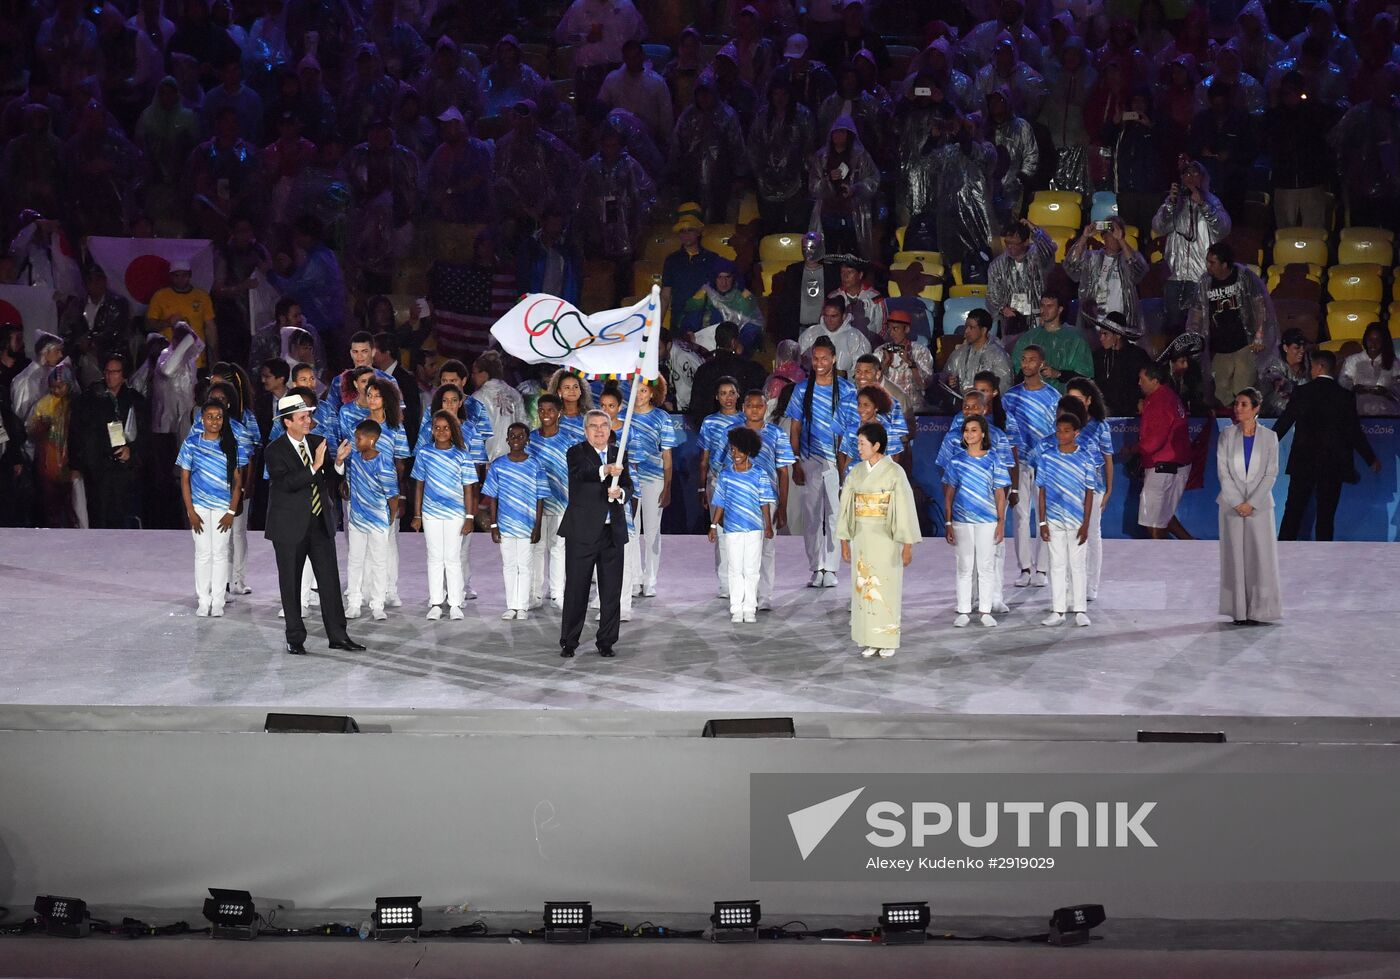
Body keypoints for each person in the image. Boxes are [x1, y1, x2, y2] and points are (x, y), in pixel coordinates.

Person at [264, 393, 363, 656]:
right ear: (288, 422)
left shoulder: (317, 441)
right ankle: (295, 637)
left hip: (319, 522)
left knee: (330, 581)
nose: (309, 421)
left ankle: (338, 636)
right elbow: (286, 483)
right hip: (288, 527)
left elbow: (328, 475)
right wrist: (314, 466)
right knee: (291, 582)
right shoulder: (274, 450)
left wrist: (338, 462)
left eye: (308, 416)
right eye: (303, 417)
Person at [1275, 350, 1381, 541]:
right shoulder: (1344, 396)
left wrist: (1264, 442)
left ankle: (1281, 555)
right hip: (1333, 463)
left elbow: (1285, 422)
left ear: (1319, 367)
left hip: (1304, 461)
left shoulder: (1302, 392)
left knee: (1293, 512)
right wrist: (1370, 458)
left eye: (1313, 366)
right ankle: (1325, 560)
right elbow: (1354, 432)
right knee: (1326, 515)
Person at [835, 421, 921, 659]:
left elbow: (904, 508)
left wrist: (907, 545)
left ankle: (887, 638)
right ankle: (869, 639)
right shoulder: (856, 471)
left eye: (862, 444)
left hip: (886, 536)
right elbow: (846, 508)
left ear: (876, 445)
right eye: (858, 443)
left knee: (886, 586)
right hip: (862, 536)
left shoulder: (895, 472)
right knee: (864, 587)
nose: (859, 448)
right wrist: (844, 540)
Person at [558, 409, 632, 658]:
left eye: (603, 425)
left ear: (611, 429)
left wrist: (620, 493)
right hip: (582, 531)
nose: (599, 430)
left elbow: (629, 484)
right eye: (593, 426)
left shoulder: (619, 453)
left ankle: (607, 641)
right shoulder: (576, 452)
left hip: (612, 531)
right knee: (577, 588)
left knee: (611, 590)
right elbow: (582, 474)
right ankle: (569, 641)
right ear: (585, 429)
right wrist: (606, 471)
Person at [786, 336, 858, 588]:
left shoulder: (847, 390)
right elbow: (794, 427)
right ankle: (816, 566)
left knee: (836, 515)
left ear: (834, 358)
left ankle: (832, 568)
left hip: (839, 460)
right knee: (812, 515)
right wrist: (795, 462)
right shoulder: (802, 389)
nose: (819, 363)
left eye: (824, 358)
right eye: (815, 359)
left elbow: (852, 428)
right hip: (810, 459)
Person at [1217, 387, 1282, 626]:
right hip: (1231, 507)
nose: (1238, 408)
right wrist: (1237, 503)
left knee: (1261, 558)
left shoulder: (1269, 438)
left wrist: (1251, 503)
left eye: (1244, 404)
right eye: (1236, 404)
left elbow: (1270, 474)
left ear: (1256, 409)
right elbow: (1223, 473)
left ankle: (1261, 609)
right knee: (1234, 557)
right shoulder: (1226, 435)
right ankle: (1239, 611)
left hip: (1260, 507)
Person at [1185, 241, 1274, 409]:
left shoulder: (1244, 277)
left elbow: (1259, 305)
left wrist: (1259, 334)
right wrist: (1193, 334)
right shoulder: (1205, 282)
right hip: (1219, 348)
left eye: (1212, 263)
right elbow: (1196, 310)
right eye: (1207, 261)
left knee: (1243, 391)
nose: (1208, 266)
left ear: (1224, 264)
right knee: (1220, 393)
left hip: (1243, 345)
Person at [178, 397, 245, 616]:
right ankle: (203, 600)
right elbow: (185, 479)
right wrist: (191, 511)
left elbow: (237, 483)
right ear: (202, 419)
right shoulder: (191, 443)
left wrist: (231, 512)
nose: (214, 421)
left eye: (218, 417)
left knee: (220, 553)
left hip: (222, 507)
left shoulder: (231, 445)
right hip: (199, 506)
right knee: (203, 553)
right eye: (209, 417)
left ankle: (218, 601)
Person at [1152, 156, 1231, 335]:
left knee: (1199, 328)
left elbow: (1224, 228)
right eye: (1187, 174)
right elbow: (1158, 226)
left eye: (1196, 174)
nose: (1191, 178)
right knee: (1173, 329)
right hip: (1175, 277)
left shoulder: (1212, 201)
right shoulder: (1174, 202)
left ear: (1203, 178)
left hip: (1201, 277)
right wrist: (1170, 205)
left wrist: (1203, 204)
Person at [410, 410, 477, 621]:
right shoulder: (424, 453)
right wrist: (417, 514)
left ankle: (455, 603)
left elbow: (468, 489)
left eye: (445, 428)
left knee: (453, 558)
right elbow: (419, 485)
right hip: (430, 514)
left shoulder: (462, 455)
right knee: (434, 557)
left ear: (453, 430)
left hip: (455, 514)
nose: (441, 431)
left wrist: (469, 517)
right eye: (437, 428)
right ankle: (436, 602)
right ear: (432, 430)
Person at [942, 414, 1007, 628]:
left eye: (973, 430)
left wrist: (1000, 522)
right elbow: (949, 493)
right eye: (966, 430)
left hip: (987, 521)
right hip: (962, 521)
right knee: (964, 565)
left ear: (983, 433)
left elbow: (999, 493)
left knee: (986, 566)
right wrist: (949, 522)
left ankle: (985, 610)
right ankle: (963, 610)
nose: (969, 434)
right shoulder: (956, 461)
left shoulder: (994, 460)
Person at [1004, 345, 1060, 586]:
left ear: (1041, 364)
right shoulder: (1010, 397)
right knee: (1020, 516)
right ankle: (1025, 568)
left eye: (1032, 360)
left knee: (1044, 516)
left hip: (1045, 465)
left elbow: (1059, 431)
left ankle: (1043, 569)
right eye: (1024, 360)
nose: (1026, 364)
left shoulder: (1054, 397)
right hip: (1020, 465)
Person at [709, 425, 776, 624]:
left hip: (754, 528)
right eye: (732, 449)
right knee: (734, 569)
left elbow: (764, 501)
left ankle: (750, 608)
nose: (735, 453)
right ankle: (736, 608)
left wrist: (768, 525)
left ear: (749, 450)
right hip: (731, 528)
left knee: (752, 569)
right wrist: (713, 526)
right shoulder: (726, 475)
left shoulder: (759, 474)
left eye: (739, 449)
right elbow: (720, 502)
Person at [482, 422, 549, 622]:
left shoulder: (535, 465)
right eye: (513, 436)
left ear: (527, 440)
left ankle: (523, 605)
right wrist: (494, 525)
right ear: (507, 439)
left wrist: (537, 526)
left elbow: (540, 498)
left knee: (525, 565)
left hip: (528, 524)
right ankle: (512, 605)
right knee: (509, 564)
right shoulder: (498, 465)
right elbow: (492, 497)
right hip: (505, 524)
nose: (517, 440)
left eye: (521, 436)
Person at [736, 388, 795, 611]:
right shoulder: (734, 433)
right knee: (741, 548)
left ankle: (765, 595)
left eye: (759, 406)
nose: (754, 409)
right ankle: (744, 593)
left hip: (767, 499)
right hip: (740, 498)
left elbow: (783, 472)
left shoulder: (777, 434)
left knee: (766, 548)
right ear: (743, 408)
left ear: (765, 408)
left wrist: (783, 506)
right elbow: (725, 467)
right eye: (750, 405)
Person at [1036, 412, 1097, 627]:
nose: (1062, 434)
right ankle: (1058, 610)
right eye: (1059, 430)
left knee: (1077, 565)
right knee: (1057, 565)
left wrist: (1086, 523)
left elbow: (1089, 492)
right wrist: (1042, 522)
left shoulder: (1086, 457)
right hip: (1053, 520)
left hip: (1077, 520)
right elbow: (1041, 491)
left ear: (1077, 433)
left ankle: (1080, 609)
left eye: (1067, 430)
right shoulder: (1046, 457)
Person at [336, 418, 400, 622]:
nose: (355, 441)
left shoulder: (384, 463)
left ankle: (378, 604)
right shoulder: (353, 458)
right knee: (355, 560)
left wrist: (390, 518)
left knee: (379, 562)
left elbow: (392, 495)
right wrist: (340, 462)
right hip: (356, 520)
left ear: (372, 440)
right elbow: (343, 477)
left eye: (359, 437)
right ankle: (354, 602)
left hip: (378, 520)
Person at [529, 393, 585, 609]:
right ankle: (535, 593)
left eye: (550, 410)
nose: (545, 414)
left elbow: (577, 473)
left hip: (562, 502)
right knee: (537, 547)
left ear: (559, 412)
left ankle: (557, 593)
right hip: (536, 504)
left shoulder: (570, 442)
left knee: (558, 547)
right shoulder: (530, 440)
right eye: (541, 410)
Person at [626, 376, 678, 598]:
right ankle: (635, 578)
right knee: (632, 530)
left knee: (652, 531)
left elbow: (667, 456)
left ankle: (650, 579)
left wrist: (667, 487)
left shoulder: (661, 418)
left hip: (653, 480)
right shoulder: (623, 416)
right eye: (636, 390)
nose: (640, 395)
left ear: (653, 393)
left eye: (644, 391)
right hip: (630, 481)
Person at [1065, 378, 1114, 602]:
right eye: (1070, 398)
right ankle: (1070, 584)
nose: (1074, 403)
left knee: (1092, 534)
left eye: (1078, 399)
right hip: (1067, 489)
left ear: (1089, 400)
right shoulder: (1064, 426)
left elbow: (1107, 458)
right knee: (1068, 536)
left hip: (1093, 489)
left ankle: (1091, 586)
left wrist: (1109, 490)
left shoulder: (1100, 426)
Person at [697, 376, 745, 595]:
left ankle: (742, 576)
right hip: (716, 482)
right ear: (717, 397)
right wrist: (701, 487)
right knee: (721, 532)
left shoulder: (746, 420)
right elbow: (704, 457)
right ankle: (725, 582)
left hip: (743, 483)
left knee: (742, 532)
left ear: (738, 395)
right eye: (723, 393)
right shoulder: (709, 422)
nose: (728, 397)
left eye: (732, 392)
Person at [1135, 362, 1194, 540]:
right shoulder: (1169, 396)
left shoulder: (1158, 400)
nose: (1139, 383)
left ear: (1154, 380)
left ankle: (1158, 562)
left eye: (1142, 379)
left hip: (1163, 467)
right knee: (1163, 516)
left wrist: (1133, 449)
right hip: (1176, 466)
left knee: (1152, 522)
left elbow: (1154, 441)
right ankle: (1192, 545)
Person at [1064, 217, 1149, 338]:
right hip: (1094, 324)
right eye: (1110, 234)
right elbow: (1071, 265)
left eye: (1116, 234)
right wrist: (1084, 237)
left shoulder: (1126, 258)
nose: (1113, 238)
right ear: (1103, 237)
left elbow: (1138, 269)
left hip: (1122, 324)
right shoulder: (1092, 259)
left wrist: (1122, 240)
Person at [1010, 291, 1095, 391]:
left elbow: (1085, 377)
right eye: (1042, 305)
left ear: (1060, 309)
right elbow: (1017, 372)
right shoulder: (1028, 338)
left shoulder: (1075, 339)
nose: (1044, 310)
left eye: (1049, 306)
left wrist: (1058, 374)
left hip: (1064, 401)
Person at [27, 364, 78, 527]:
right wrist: (40, 428)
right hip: (48, 465)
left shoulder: (76, 404)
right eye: (53, 386)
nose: (56, 390)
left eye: (60, 386)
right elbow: (30, 431)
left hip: (71, 465)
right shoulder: (43, 404)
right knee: (51, 508)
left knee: (72, 507)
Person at [986, 218, 1055, 338]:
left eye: (1014, 244)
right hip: (1012, 321)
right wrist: (1002, 308)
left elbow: (1048, 248)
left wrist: (1033, 228)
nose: (1010, 247)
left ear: (1026, 242)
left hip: (1039, 316)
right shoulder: (997, 265)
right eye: (1007, 243)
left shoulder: (1038, 257)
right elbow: (992, 293)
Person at [689, 322, 768, 424]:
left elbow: (695, 406)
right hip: (738, 430)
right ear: (733, 342)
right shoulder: (750, 369)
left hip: (710, 430)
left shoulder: (703, 369)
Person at [147, 259, 218, 367]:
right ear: (171, 276)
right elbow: (149, 325)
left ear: (190, 276)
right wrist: (168, 322)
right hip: (169, 359)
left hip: (195, 358)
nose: (180, 279)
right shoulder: (160, 296)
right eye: (177, 275)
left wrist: (214, 354)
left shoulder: (202, 296)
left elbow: (210, 327)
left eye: (184, 275)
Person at [1092, 312, 1152, 417]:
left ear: (1118, 334)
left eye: (1105, 334)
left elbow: (1150, 382)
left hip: (1131, 417)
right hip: (1104, 416)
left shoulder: (1137, 355)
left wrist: (1143, 399)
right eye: (1100, 334)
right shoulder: (1097, 356)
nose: (1101, 338)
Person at [943, 308, 1013, 398]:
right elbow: (945, 375)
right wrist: (949, 381)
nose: (966, 331)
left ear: (983, 330)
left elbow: (1004, 387)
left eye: (971, 328)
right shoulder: (959, 353)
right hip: (961, 405)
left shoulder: (998, 355)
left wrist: (979, 392)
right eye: (966, 327)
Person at [876, 309, 934, 412]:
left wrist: (911, 363)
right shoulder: (881, 351)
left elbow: (924, 385)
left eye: (895, 329)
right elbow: (872, 385)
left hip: (914, 410)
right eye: (889, 329)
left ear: (906, 329)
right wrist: (884, 365)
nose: (891, 333)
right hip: (887, 409)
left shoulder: (920, 351)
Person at [798, 295, 872, 375]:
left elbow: (863, 370)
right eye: (826, 316)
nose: (829, 320)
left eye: (834, 316)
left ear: (843, 316)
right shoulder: (811, 333)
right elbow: (797, 363)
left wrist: (843, 375)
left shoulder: (856, 337)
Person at [1339, 323, 1400, 417]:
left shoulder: (1394, 363)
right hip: (1358, 414)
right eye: (1370, 339)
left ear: (1384, 342)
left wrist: (1387, 391)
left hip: (1387, 416)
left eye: (1378, 340)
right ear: (1365, 340)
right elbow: (1343, 384)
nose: (1373, 344)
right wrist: (1353, 388)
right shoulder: (1353, 360)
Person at [1260, 328, 1310, 418]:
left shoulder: (1307, 362)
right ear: (1285, 348)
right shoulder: (1275, 364)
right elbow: (1279, 387)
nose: (1302, 350)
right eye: (1297, 347)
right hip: (1273, 414)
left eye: (1303, 347)